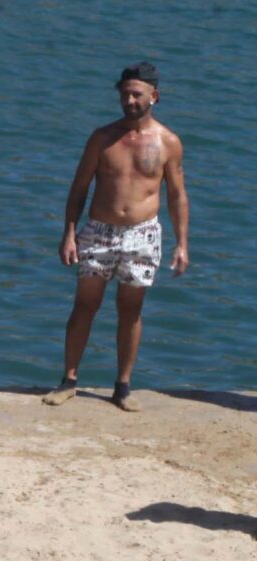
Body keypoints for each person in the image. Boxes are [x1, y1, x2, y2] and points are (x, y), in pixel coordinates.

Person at [46, 63, 189, 411]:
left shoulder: (167, 141)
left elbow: (177, 194)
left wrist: (182, 243)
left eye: (136, 94)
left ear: (154, 97)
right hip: (99, 231)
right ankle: (69, 380)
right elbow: (80, 186)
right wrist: (69, 232)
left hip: (143, 234)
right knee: (85, 306)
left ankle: (122, 386)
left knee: (130, 309)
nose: (129, 100)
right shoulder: (103, 137)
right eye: (124, 94)